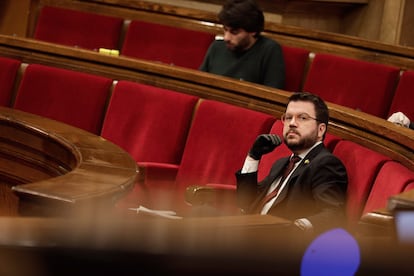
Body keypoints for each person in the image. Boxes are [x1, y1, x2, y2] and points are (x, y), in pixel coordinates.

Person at [236, 92, 348, 233]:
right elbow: (246, 202)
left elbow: (334, 214)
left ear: (321, 130)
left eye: (302, 118)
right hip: (248, 231)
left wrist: (293, 229)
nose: (292, 123)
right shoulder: (282, 164)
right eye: (288, 118)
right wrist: (253, 156)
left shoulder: (325, 163)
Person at [199, 0, 285, 89]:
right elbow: (199, 84)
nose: (226, 38)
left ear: (253, 31)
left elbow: (272, 94)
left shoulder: (270, 50)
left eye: (234, 32)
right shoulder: (216, 47)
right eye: (225, 29)